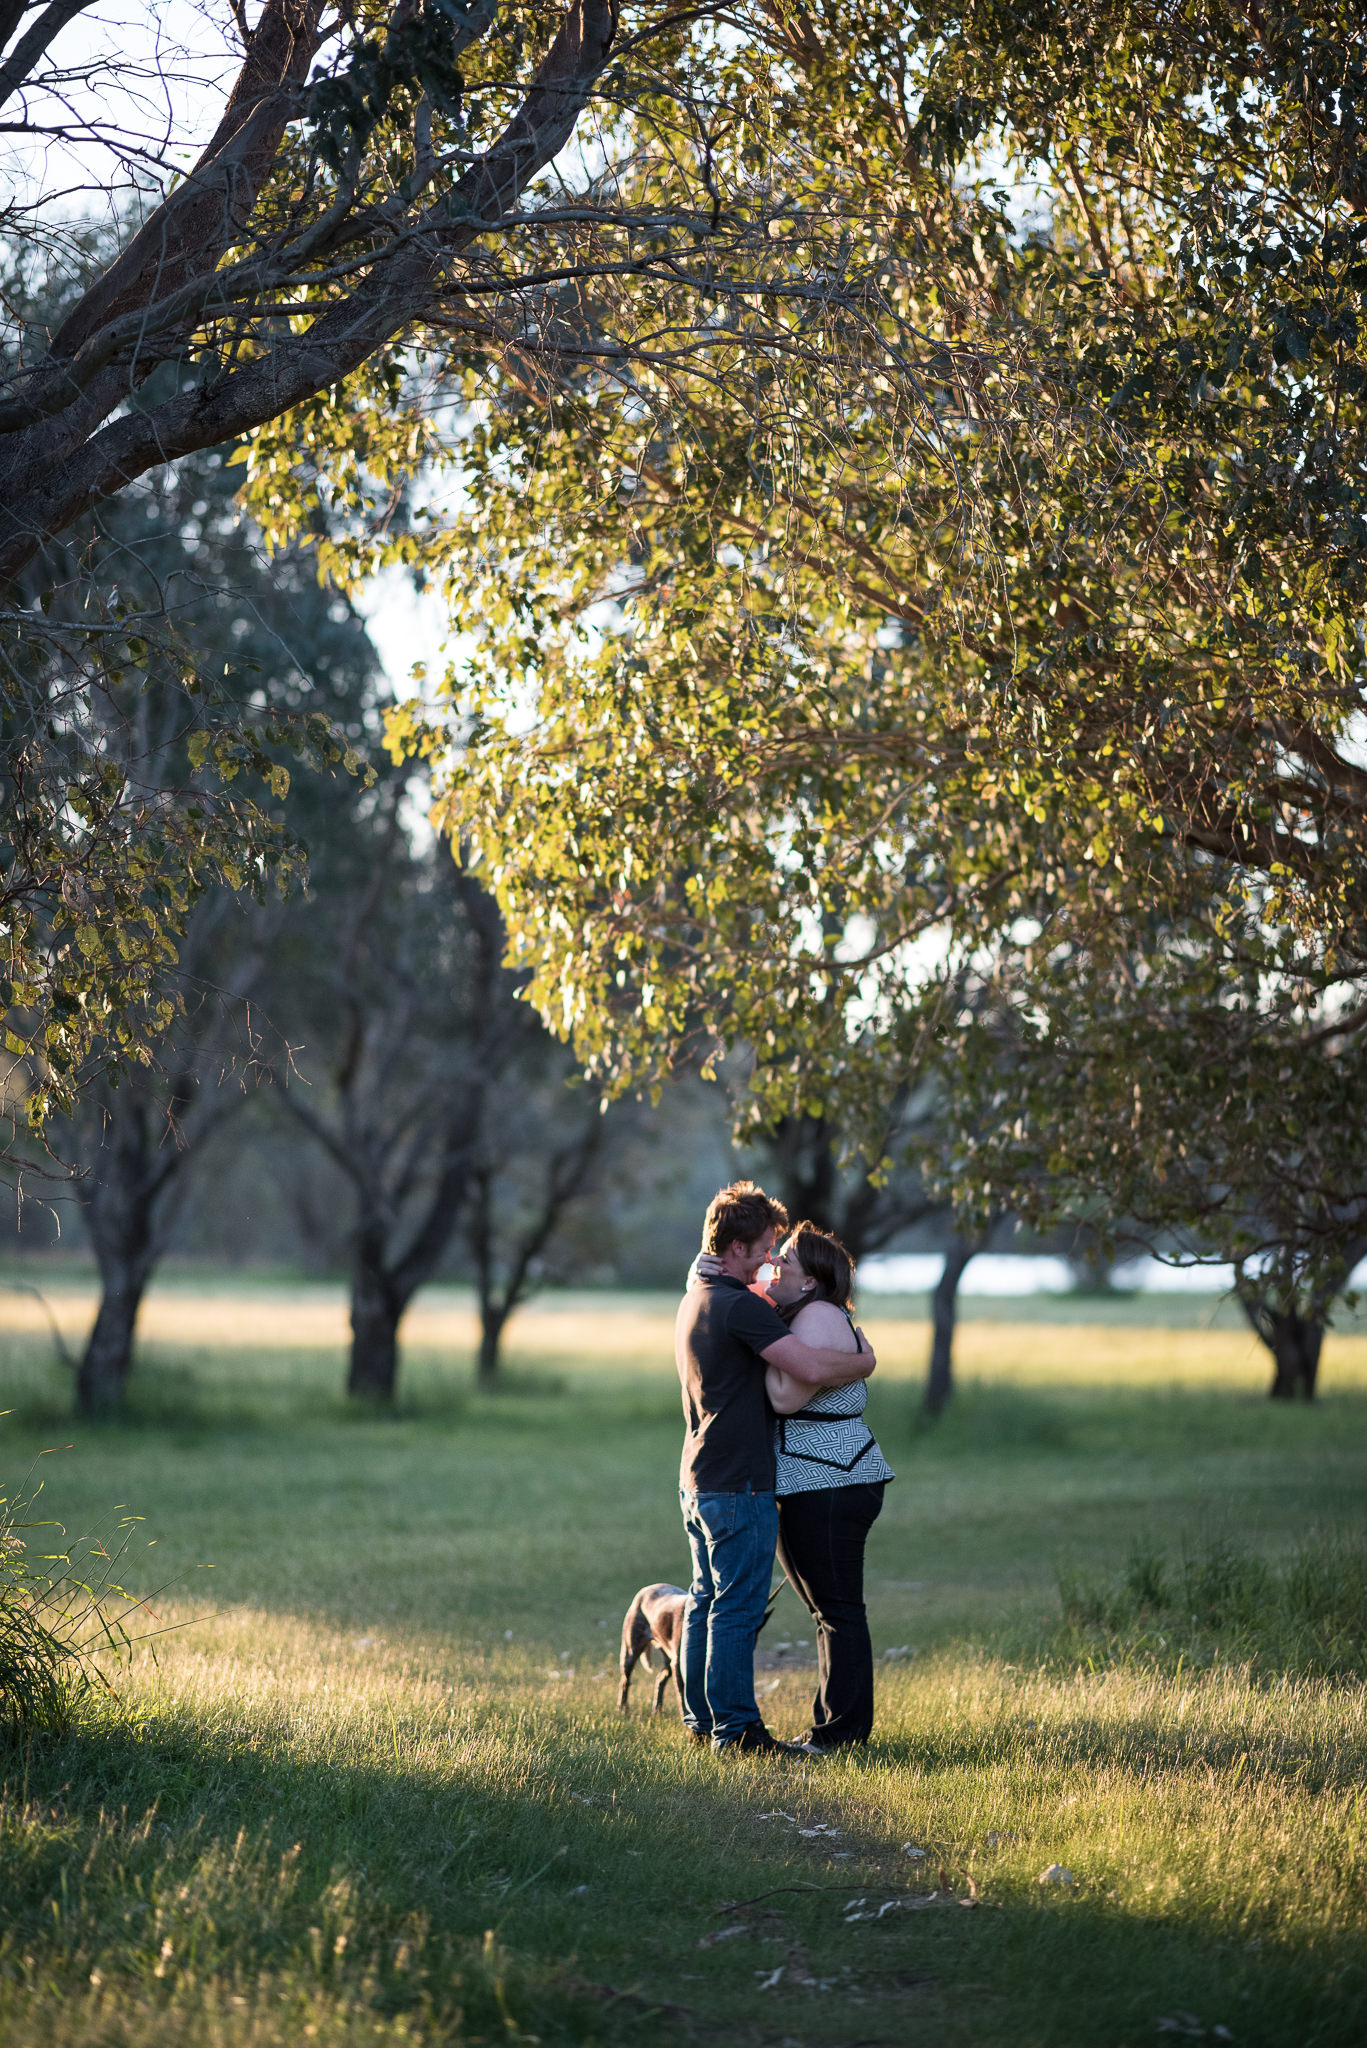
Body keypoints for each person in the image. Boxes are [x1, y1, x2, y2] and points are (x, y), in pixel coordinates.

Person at [675, 1181, 878, 1755]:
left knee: (704, 1601)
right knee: (735, 1609)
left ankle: (700, 1720)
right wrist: (866, 1359)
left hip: (698, 1478)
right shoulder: (739, 1306)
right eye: (765, 1246)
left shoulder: (698, 1295)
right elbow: (808, 1366)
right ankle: (736, 1731)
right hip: (740, 1481)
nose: (770, 1257)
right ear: (735, 1248)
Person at [763, 1222, 894, 1752]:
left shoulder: (815, 1316)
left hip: (828, 1484)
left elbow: (783, 1399)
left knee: (837, 1612)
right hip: (827, 1480)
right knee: (831, 1612)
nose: (776, 1261)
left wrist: (754, 1345)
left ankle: (841, 1737)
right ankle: (835, 1728)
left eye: (787, 1258)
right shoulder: (816, 1314)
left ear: (811, 1281)